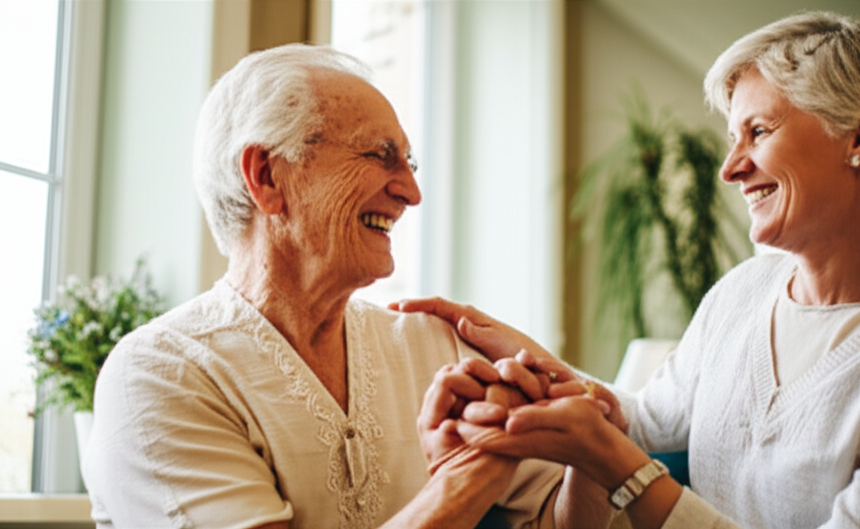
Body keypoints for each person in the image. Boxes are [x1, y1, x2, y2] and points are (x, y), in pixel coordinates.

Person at [399, 11, 860, 529]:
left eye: (758, 131)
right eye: (732, 138)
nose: (730, 168)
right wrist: (532, 361)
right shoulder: (743, 291)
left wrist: (618, 466)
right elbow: (643, 418)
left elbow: (621, 446)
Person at [82, 43, 572, 529]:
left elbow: (556, 515)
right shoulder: (160, 375)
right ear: (267, 176)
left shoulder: (433, 346)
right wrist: (473, 473)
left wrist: (590, 439)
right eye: (380, 155)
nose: (410, 192)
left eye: (409, 162)